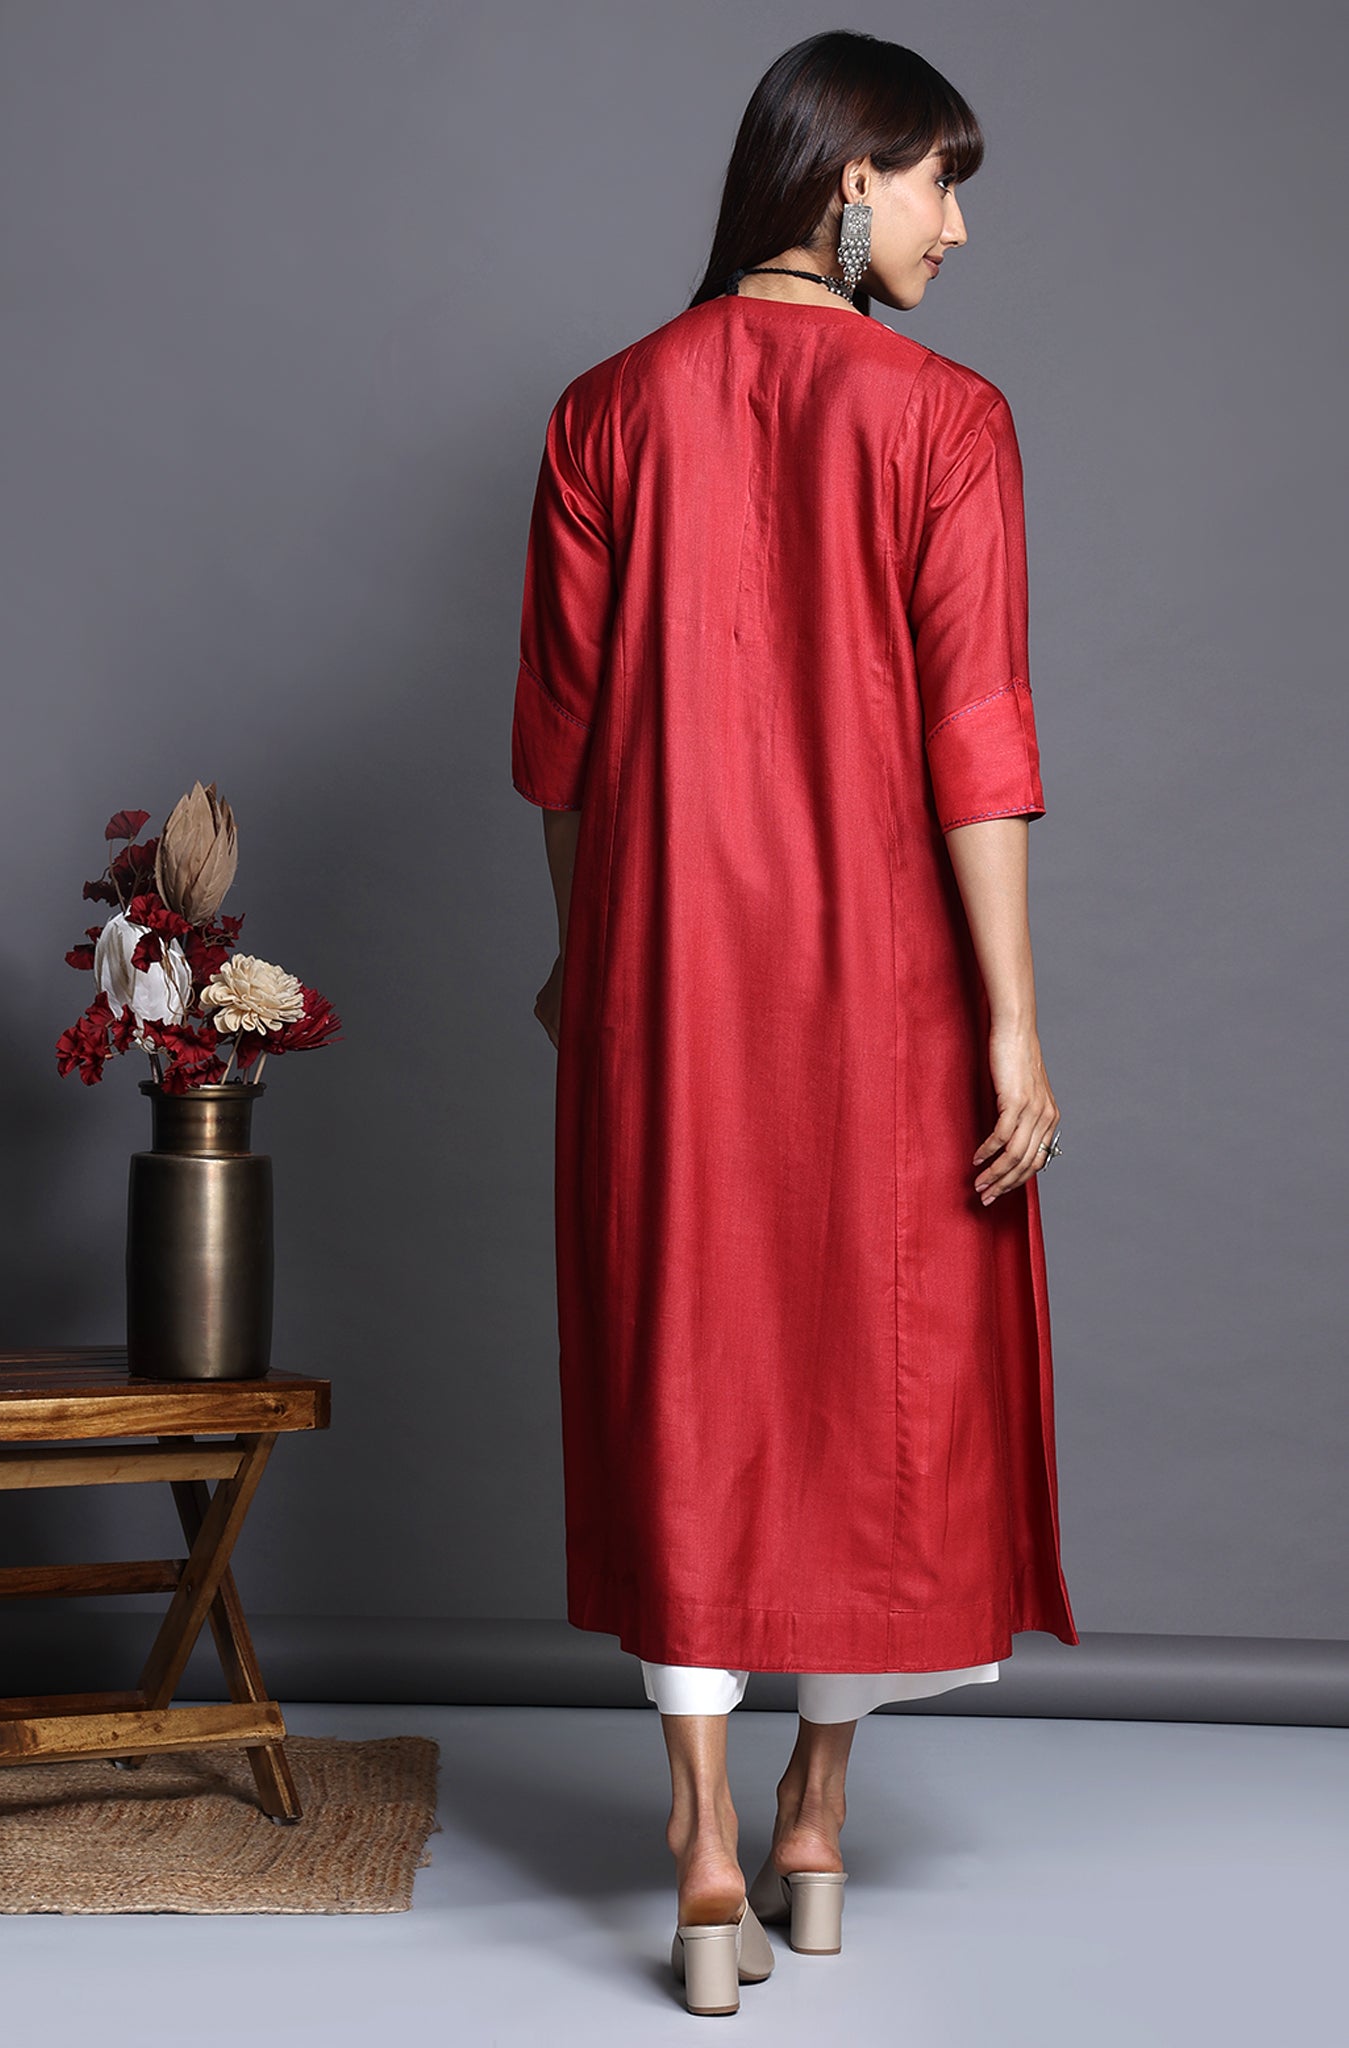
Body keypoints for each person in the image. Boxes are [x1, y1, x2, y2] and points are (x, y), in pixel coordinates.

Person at [510, 29, 1078, 2016]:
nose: (956, 225)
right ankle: (813, 1817)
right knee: (872, 1375)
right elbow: (976, 740)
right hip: (886, 986)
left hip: (664, 979)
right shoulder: (947, 420)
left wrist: (585, 959)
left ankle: (699, 1852)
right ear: (844, 177)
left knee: (688, 1363)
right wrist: (1009, 1022)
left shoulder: (603, 412)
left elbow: (561, 754)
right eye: (938, 179)